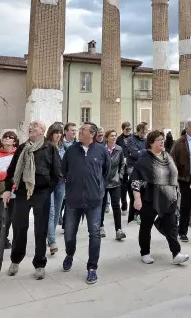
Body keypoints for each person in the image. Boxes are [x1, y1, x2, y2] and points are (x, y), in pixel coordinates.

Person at [3, 120, 62, 280]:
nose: (31, 129)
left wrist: (47, 189)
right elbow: (11, 171)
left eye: (34, 128)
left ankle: (40, 264)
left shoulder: (49, 148)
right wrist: (8, 189)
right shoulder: (22, 148)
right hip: (22, 192)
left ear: (42, 132)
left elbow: (57, 174)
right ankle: (15, 260)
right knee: (19, 227)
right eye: (30, 127)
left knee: (40, 229)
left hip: (41, 193)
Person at [131, 130, 189, 266]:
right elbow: (136, 180)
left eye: (163, 139)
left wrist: (175, 191)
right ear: (151, 143)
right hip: (150, 198)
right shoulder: (144, 160)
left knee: (172, 226)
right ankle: (145, 253)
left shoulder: (167, 156)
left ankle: (176, 254)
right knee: (146, 226)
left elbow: (173, 174)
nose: (162, 142)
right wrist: (137, 198)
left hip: (169, 197)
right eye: (159, 140)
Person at [61, 122, 109, 284]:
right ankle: (69, 254)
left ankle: (92, 268)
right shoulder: (71, 150)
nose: (79, 131)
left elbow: (105, 172)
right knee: (69, 233)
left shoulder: (101, 150)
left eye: (83, 130)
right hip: (73, 199)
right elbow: (63, 170)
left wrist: (97, 187)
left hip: (94, 200)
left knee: (94, 233)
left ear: (92, 134)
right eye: (79, 129)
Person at [0, 131, 18, 261]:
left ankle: (4, 240)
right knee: (0, 219)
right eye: (5, 137)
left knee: (10, 218)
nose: (7, 138)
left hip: (14, 191)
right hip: (0, 190)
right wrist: (7, 174)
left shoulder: (18, 154)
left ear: (14, 141)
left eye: (10, 137)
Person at [101, 129, 126, 241]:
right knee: (102, 206)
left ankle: (118, 230)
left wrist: (120, 175)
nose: (114, 137)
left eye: (115, 135)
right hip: (103, 182)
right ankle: (100, 226)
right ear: (107, 138)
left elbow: (122, 164)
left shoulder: (119, 149)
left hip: (115, 182)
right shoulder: (102, 149)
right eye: (112, 135)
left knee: (116, 206)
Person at [45, 122, 65, 255]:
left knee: (57, 212)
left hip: (61, 183)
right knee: (51, 212)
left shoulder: (65, 147)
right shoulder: (46, 147)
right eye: (55, 133)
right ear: (51, 133)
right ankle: (52, 241)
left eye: (60, 133)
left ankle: (49, 235)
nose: (58, 135)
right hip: (49, 184)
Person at [125, 122, 148, 223]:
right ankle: (135, 214)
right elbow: (135, 154)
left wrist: (142, 151)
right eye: (144, 132)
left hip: (143, 167)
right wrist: (145, 151)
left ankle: (139, 213)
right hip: (132, 167)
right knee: (135, 190)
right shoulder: (131, 139)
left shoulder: (146, 140)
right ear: (139, 131)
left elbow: (148, 152)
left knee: (143, 191)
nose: (145, 134)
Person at [117, 122, 132, 212]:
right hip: (122, 166)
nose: (128, 131)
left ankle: (133, 209)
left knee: (132, 187)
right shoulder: (118, 139)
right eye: (127, 129)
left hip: (132, 165)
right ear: (123, 129)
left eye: (130, 129)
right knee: (123, 187)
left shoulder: (133, 138)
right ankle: (124, 205)